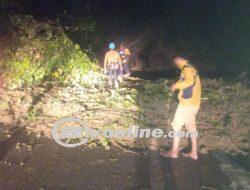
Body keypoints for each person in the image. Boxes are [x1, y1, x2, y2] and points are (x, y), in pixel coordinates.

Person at [161, 55, 201, 160]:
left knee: (176, 125)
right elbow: (189, 82)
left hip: (186, 104)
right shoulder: (192, 68)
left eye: (176, 62)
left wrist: (176, 86)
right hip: (194, 103)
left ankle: (174, 152)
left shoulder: (186, 68)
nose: (176, 64)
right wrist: (176, 84)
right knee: (191, 126)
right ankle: (194, 153)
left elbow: (189, 82)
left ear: (180, 60)